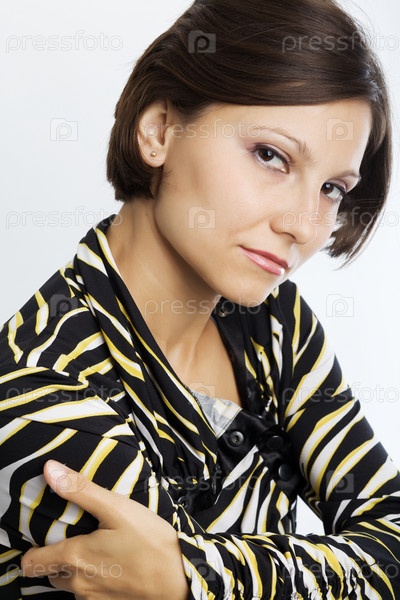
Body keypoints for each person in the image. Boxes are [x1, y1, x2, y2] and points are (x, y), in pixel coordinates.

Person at [1, 0, 399, 598]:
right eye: (271, 155)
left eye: (331, 188)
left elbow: (393, 536)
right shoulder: (39, 391)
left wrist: (193, 574)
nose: (302, 225)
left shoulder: (275, 323)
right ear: (159, 130)